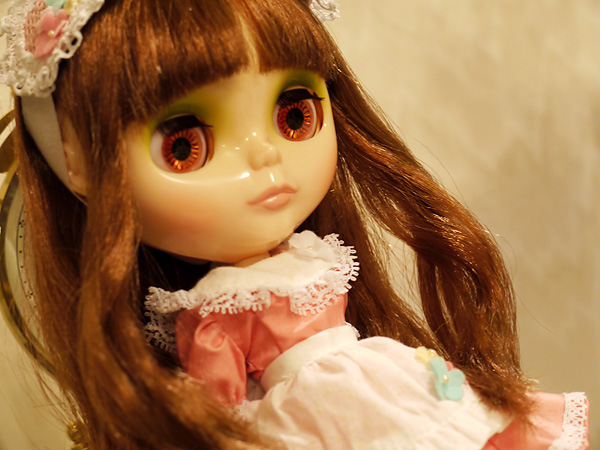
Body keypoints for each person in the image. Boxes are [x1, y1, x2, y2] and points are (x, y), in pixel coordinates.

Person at [0, 0, 589, 448]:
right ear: (79, 164)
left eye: (294, 114)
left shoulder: (313, 255)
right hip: (313, 413)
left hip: (381, 382)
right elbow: (219, 400)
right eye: (185, 145)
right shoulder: (217, 310)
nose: (265, 157)